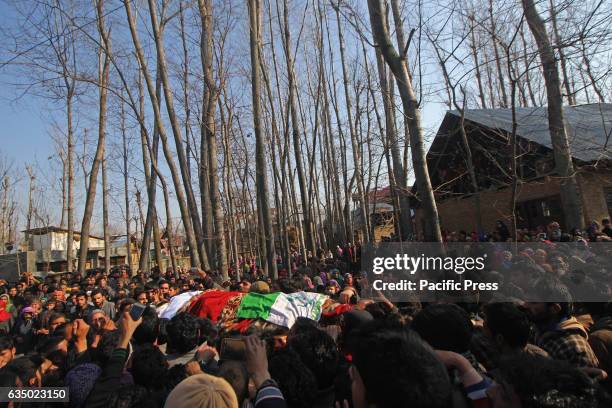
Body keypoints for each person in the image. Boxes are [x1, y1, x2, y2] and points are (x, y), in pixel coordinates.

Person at [524, 279, 599, 368]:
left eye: (533, 302)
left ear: (555, 309)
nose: (525, 305)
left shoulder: (573, 348)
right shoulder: (538, 328)